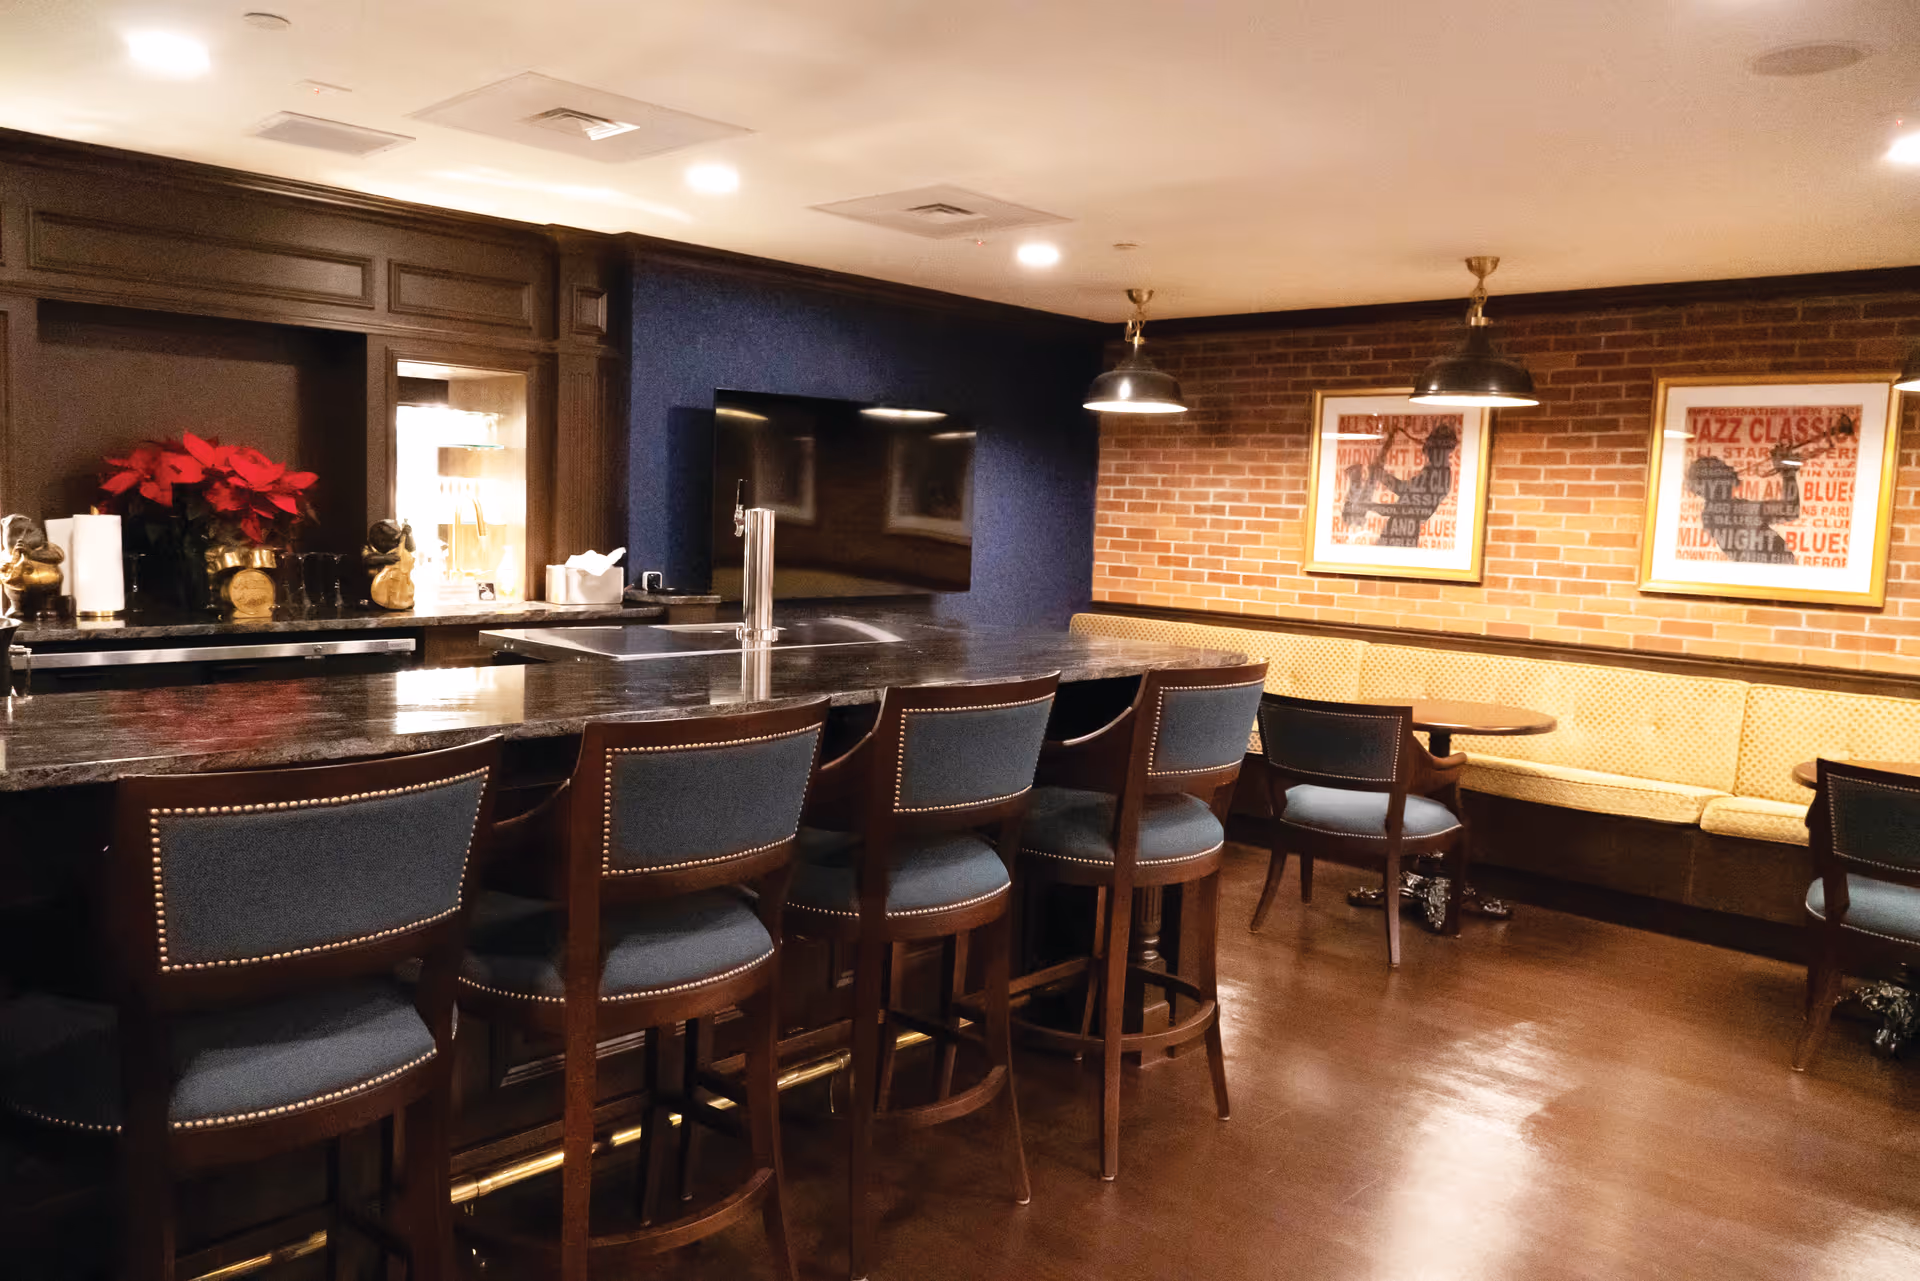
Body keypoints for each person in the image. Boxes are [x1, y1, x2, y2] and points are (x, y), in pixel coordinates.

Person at [1340, 423, 1459, 547]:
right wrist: (1382, 476)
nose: (1426, 446)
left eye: (1430, 442)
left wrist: (1371, 506)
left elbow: (1405, 510)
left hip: (1403, 537)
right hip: (1398, 532)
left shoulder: (1439, 475)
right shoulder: (1434, 470)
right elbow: (1405, 490)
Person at [1683, 455, 1798, 565]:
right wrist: (1788, 473)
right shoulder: (1725, 510)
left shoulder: (1717, 510)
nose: (1731, 468)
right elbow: (1790, 511)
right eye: (1722, 468)